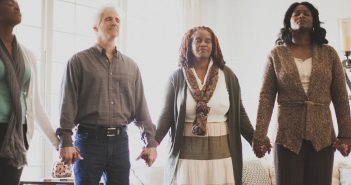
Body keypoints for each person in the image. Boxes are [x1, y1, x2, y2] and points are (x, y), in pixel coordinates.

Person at [56, 4, 158, 185]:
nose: (114, 22)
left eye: (117, 19)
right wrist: (65, 141)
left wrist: (150, 143)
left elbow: (141, 109)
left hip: (120, 143)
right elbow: (68, 105)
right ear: (95, 27)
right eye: (108, 18)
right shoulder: (78, 61)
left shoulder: (131, 66)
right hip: (88, 142)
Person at [253, 2, 351, 185]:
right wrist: (260, 136)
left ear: (314, 21)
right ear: (288, 23)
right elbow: (266, 97)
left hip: (322, 136)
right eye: (296, 13)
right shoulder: (276, 54)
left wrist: (346, 135)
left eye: (306, 13)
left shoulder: (329, 54)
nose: (301, 16)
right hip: (287, 136)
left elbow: (341, 98)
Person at [155, 26, 255, 185]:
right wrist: (152, 143)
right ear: (189, 44)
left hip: (222, 154)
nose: (203, 44)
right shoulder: (177, 76)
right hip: (186, 155)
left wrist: (255, 140)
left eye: (208, 41)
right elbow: (166, 115)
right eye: (198, 40)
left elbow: (240, 113)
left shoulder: (227, 75)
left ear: (214, 46)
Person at [0, 0, 60, 184]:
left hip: (17, 135)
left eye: (17, 2)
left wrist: (57, 143)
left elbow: (35, 104)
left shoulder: (27, 55)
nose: (16, 6)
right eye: (10, 2)